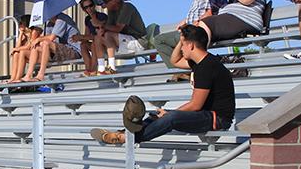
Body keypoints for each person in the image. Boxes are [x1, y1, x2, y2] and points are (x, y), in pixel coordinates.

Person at [90, 26, 235, 145]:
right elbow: (175, 61)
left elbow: (196, 105)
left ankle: (124, 139)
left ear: (190, 45)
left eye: (182, 44)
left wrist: (169, 114)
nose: (181, 48)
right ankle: (121, 133)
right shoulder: (199, 63)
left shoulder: (207, 67)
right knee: (156, 116)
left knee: (169, 118)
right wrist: (182, 40)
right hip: (203, 114)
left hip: (217, 118)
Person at [152, 0, 228, 81]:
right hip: (191, 29)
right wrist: (184, 22)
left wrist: (193, 25)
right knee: (162, 40)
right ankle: (184, 69)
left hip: (196, 31)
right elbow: (196, 14)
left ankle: (183, 70)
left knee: (160, 40)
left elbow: (210, 13)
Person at [93, 0, 147, 75]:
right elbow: (108, 27)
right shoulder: (111, 11)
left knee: (108, 35)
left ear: (115, 1)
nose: (105, 5)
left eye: (106, 2)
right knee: (97, 37)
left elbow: (118, 28)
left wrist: (101, 25)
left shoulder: (127, 7)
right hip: (124, 41)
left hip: (137, 41)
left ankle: (112, 68)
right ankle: (101, 68)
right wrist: (99, 27)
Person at [20, 13, 81, 82]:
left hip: (74, 51)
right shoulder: (49, 24)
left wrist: (38, 38)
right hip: (59, 51)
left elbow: (51, 38)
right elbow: (46, 39)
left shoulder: (62, 19)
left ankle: (41, 75)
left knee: (45, 43)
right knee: (36, 46)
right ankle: (28, 75)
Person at [71, 0, 107, 76]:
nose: (89, 9)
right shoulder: (87, 19)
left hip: (104, 45)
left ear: (94, 5)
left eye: (90, 5)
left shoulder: (102, 16)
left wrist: (81, 37)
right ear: (84, 9)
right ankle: (88, 69)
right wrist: (79, 38)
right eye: (86, 7)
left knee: (95, 43)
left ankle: (93, 70)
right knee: (83, 45)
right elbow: (87, 36)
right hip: (96, 44)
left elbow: (98, 36)